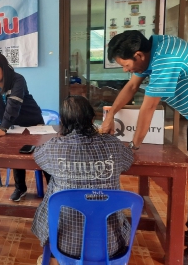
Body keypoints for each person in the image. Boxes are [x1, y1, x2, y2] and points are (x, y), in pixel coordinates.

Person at [101, 30, 188, 264]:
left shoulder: (167, 58)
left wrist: (133, 147)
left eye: (126, 65)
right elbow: (130, 88)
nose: (126, 70)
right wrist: (110, 115)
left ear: (138, 55)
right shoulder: (151, 50)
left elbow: (148, 108)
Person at [32, 95, 134, 262]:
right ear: (93, 119)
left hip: (64, 245)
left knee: (54, 189)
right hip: (112, 243)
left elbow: (38, 156)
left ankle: (50, 254)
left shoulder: (54, 147)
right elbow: (128, 159)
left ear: (62, 121)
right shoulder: (113, 144)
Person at [0, 53, 50, 202]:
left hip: (32, 122)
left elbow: (13, 105)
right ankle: (20, 188)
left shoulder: (17, 80)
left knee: (43, 153)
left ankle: (52, 186)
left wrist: (3, 127)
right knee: (15, 152)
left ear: (4, 69)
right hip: (11, 126)